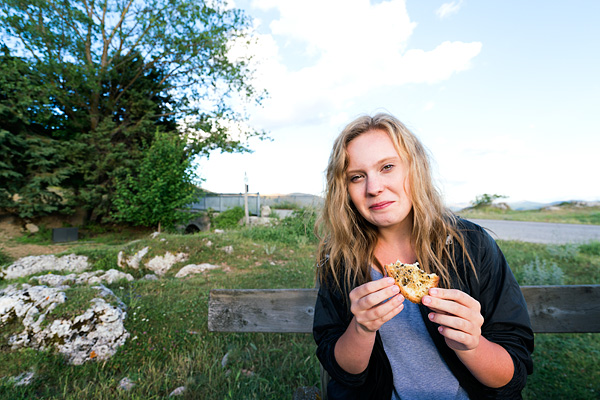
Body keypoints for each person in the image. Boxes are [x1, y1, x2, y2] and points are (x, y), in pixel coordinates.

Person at [313, 113, 534, 399]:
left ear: (415, 168)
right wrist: (361, 329)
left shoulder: (471, 245)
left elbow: (512, 374)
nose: (374, 188)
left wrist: (473, 345)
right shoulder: (339, 261)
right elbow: (344, 370)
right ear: (345, 190)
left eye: (387, 167)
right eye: (357, 177)